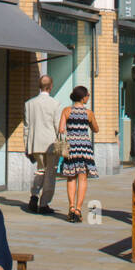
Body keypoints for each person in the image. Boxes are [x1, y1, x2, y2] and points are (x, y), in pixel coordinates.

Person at [57, 85, 99, 221]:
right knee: (83, 178)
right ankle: (79, 209)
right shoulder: (89, 113)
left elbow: (61, 129)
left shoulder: (66, 111)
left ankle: (71, 207)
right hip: (84, 148)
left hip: (71, 148)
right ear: (83, 97)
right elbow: (96, 129)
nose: (88, 98)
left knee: (71, 177)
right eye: (87, 95)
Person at [23, 74, 61, 214]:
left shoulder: (29, 104)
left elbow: (26, 127)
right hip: (51, 142)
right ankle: (44, 203)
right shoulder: (55, 104)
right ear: (50, 87)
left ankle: (34, 195)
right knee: (50, 172)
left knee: (40, 169)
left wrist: (27, 145)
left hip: (35, 143)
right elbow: (58, 126)